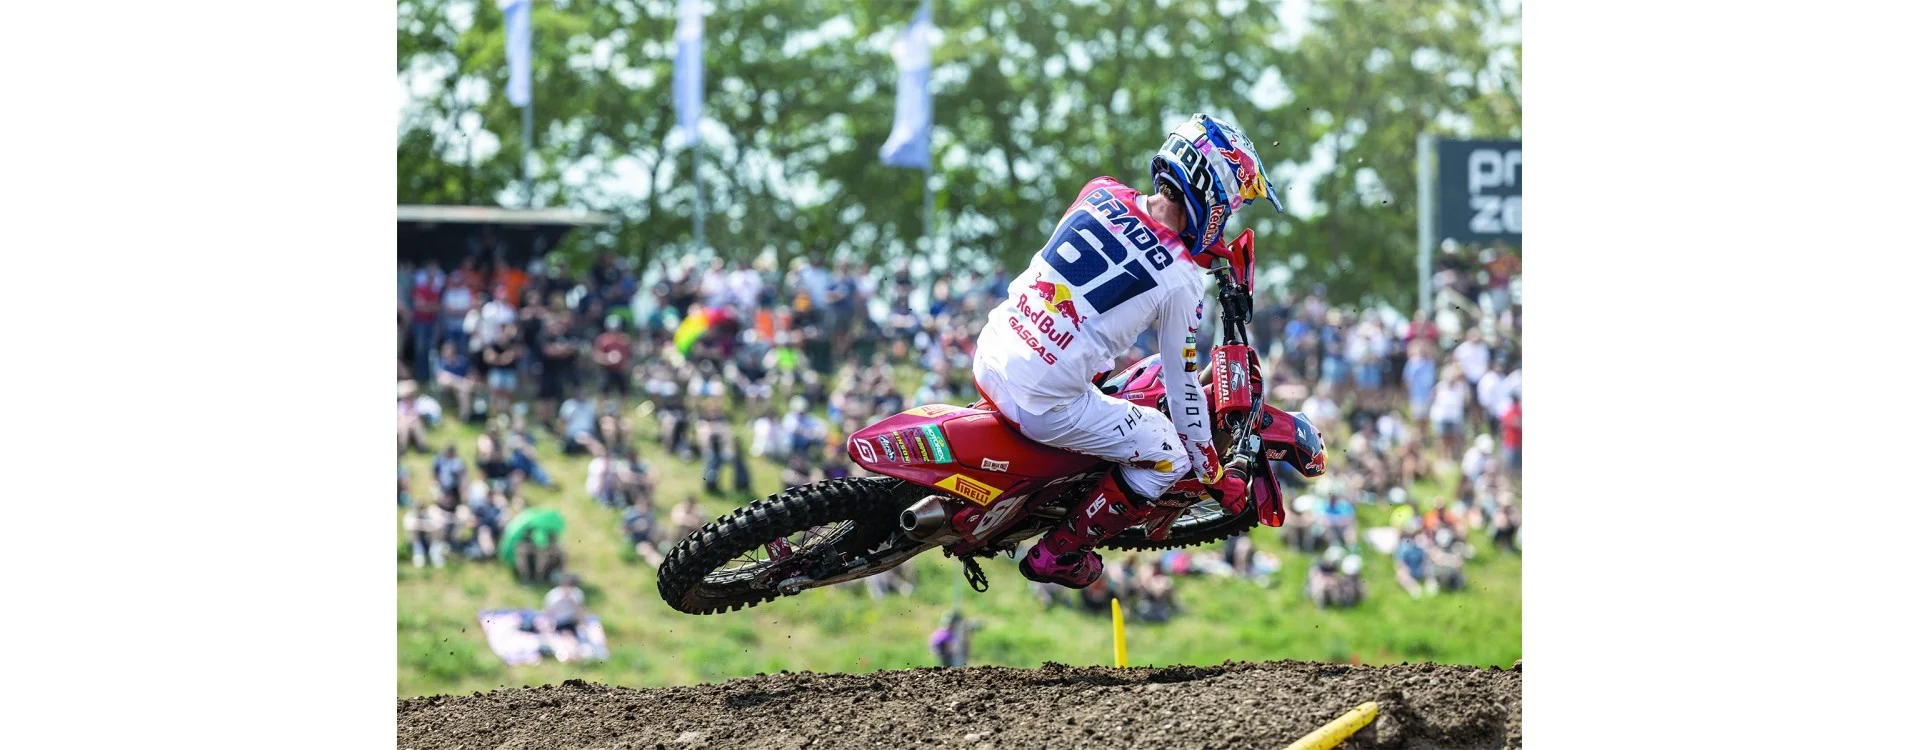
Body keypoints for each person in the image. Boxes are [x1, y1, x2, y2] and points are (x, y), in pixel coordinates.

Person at [971, 114, 1318, 589]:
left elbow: (1126, 245)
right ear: (1212, 192)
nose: (1228, 218)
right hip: (1041, 401)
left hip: (993, 350)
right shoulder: (1182, 280)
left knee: (1102, 361)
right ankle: (1059, 552)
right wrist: (1213, 475)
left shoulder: (1099, 191)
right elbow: (1183, 393)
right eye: (1232, 204)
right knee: (1167, 453)